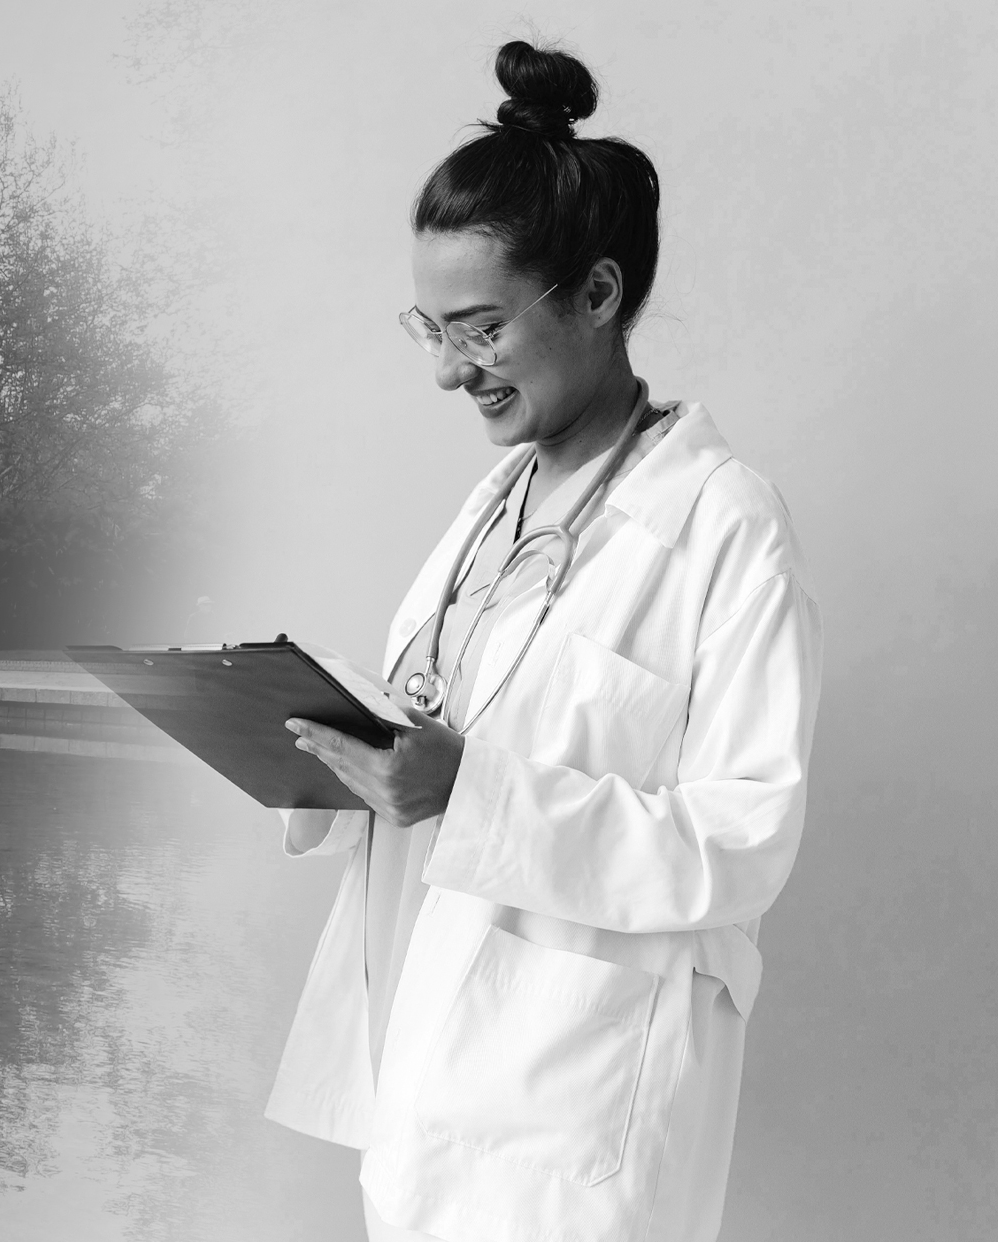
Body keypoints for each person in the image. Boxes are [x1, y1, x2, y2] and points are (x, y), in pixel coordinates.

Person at [274, 43, 818, 1242]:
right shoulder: (494, 506)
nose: (441, 370)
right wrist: (331, 750)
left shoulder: (721, 523)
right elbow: (437, 737)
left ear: (598, 294)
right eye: (428, 324)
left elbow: (745, 842)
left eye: (475, 329)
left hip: (577, 1100)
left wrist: (472, 794)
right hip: (430, 1061)